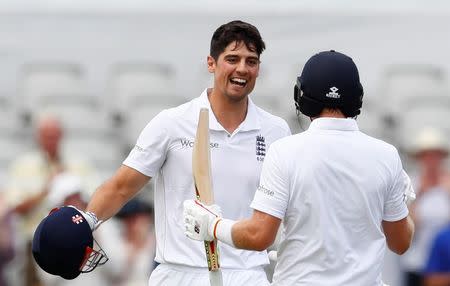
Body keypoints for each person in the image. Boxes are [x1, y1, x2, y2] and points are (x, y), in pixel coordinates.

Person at [32, 20, 291, 286]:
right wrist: (87, 221)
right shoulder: (172, 123)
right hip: (180, 274)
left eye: (251, 61)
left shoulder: (276, 131)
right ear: (211, 63)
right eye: (232, 59)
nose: (242, 69)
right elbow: (122, 186)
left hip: (248, 275)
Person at [183, 50, 415, 285]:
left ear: (301, 95)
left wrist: (213, 225)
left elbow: (259, 236)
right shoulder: (386, 156)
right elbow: (401, 243)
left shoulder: (285, 151)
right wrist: (401, 204)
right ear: (358, 98)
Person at [3, 114, 98, 286]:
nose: (51, 141)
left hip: (73, 238)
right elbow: (15, 208)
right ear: (38, 137)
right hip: (36, 240)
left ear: (61, 136)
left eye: (55, 136)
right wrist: (46, 189)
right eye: (47, 136)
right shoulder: (23, 166)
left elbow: (94, 200)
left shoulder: (78, 164)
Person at [400, 126, 450, 286]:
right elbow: (403, 225)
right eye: (426, 156)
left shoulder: (448, 184)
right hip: (417, 262)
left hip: (444, 264)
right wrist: (419, 196)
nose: (431, 161)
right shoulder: (411, 184)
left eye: (435, 155)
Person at [115, 198, 156, 286]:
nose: (131, 224)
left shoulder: (157, 242)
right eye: (127, 220)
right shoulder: (116, 242)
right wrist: (136, 246)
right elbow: (115, 274)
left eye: (135, 220)